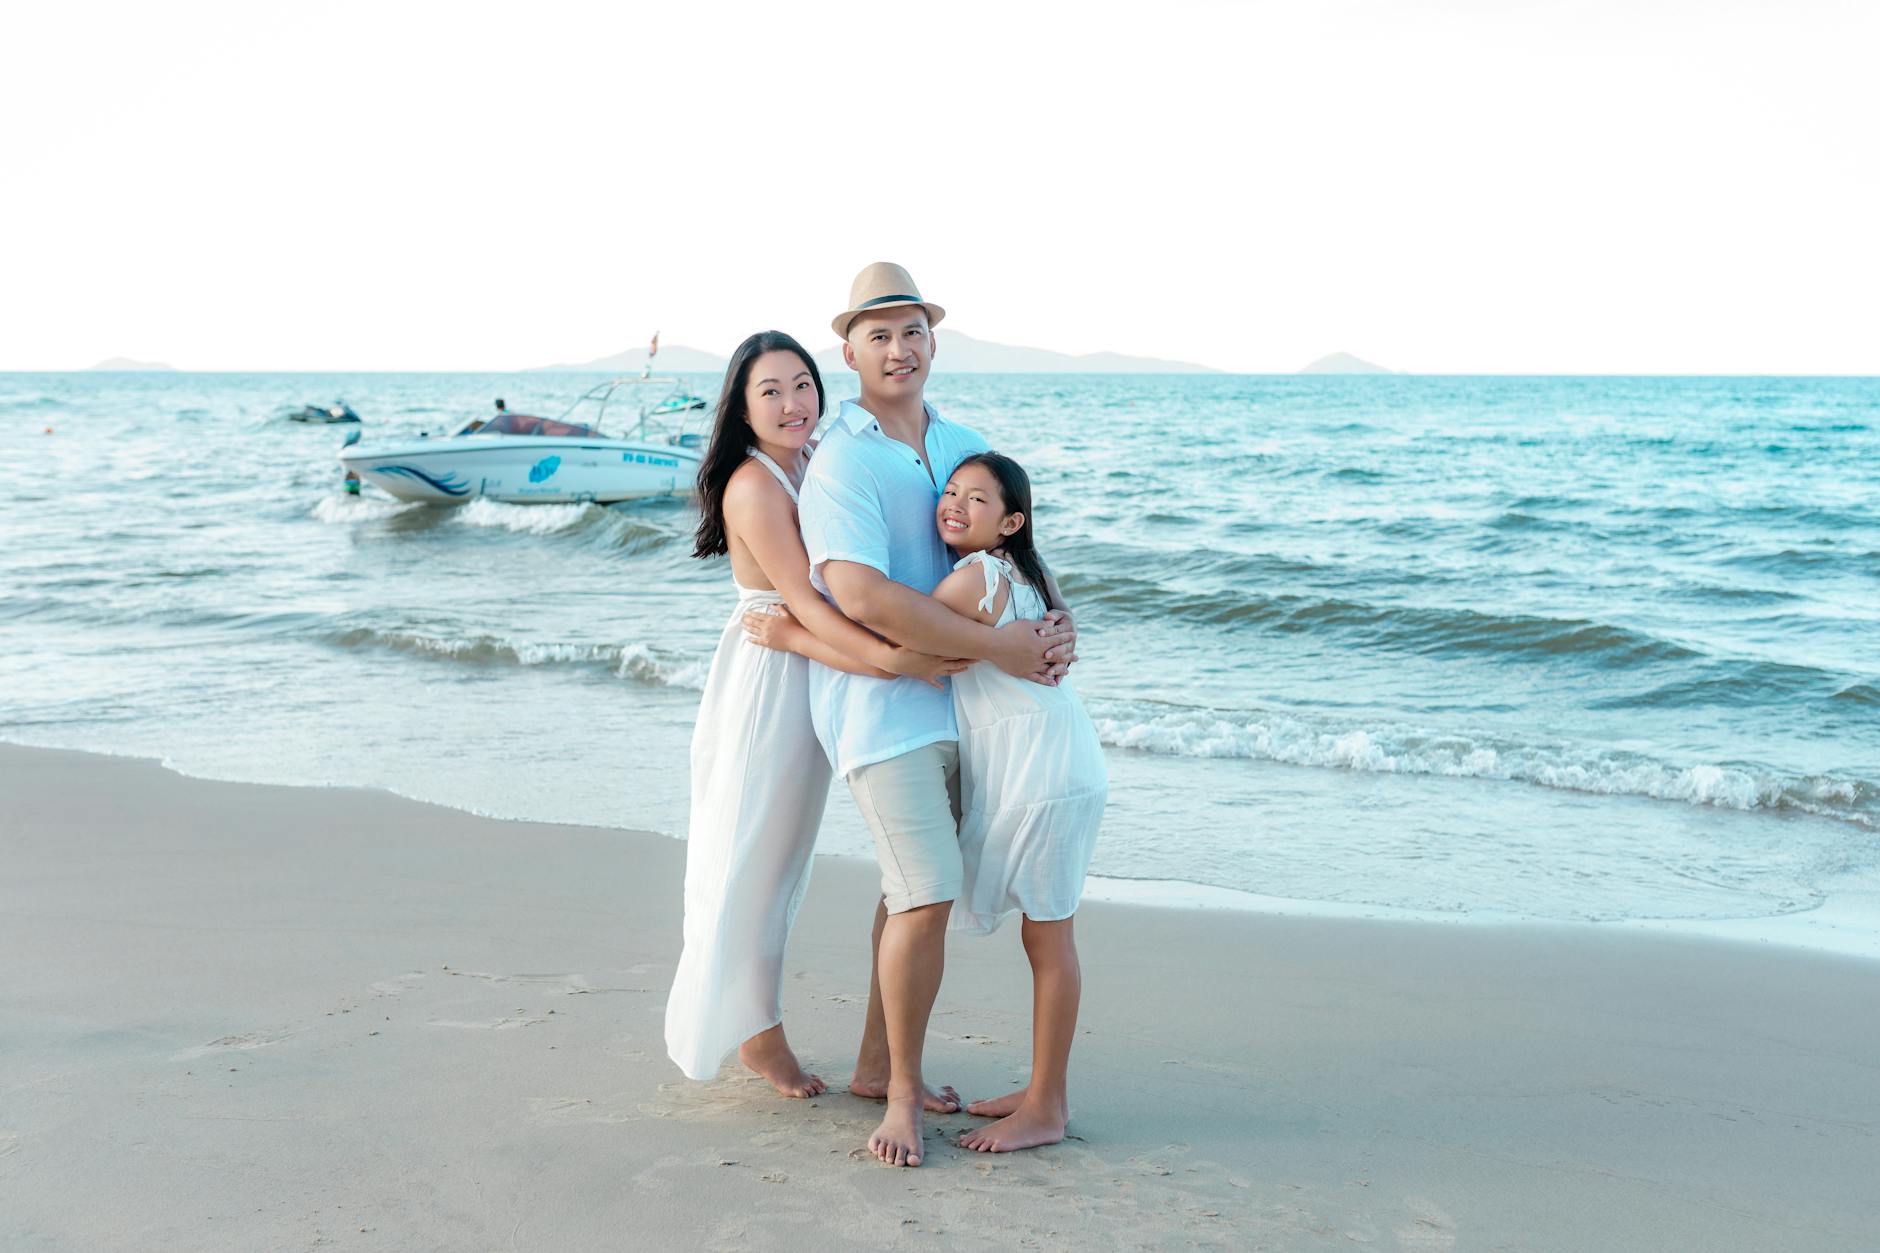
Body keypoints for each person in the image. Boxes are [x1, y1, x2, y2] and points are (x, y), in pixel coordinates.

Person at [785, 262, 1077, 1166]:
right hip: (881, 706)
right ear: (849, 351)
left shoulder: (964, 442)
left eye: (911, 330)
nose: (898, 348)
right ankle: (903, 1099)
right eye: (878, 334)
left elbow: (1012, 548)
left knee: (907, 892)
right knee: (927, 893)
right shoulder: (842, 458)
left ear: (933, 341)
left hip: (966, 712)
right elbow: (861, 593)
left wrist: (1057, 627)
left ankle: (878, 1063)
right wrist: (1003, 647)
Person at [662, 331, 965, 1096]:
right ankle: (756, 1035)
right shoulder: (755, 484)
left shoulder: (812, 459)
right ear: (741, 405)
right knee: (750, 860)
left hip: (818, 667)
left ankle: (802, 1036)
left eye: (802, 384)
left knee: (781, 859)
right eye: (771, 390)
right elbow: (802, 603)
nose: (794, 402)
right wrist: (893, 660)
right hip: (770, 681)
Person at [929, 452, 1106, 1152]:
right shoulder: (1032, 573)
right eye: (949, 491)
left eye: (976, 499)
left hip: (1045, 771)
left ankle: (1048, 1107)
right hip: (1059, 759)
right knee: (1044, 933)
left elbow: (908, 633)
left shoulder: (975, 576)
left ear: (1009, 521)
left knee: (1049, 936)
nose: (953, 503)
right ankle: (1039, 1091)